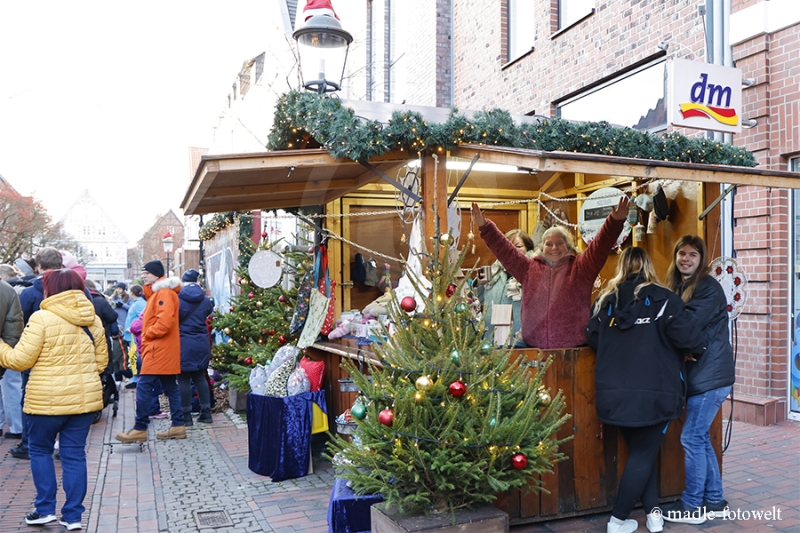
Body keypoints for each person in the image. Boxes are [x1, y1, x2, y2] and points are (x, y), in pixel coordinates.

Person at [586, 247, 706, 533]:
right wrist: (693, 351)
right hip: (656, 393)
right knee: (643, 455)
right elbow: (689, 338)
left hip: (615, 393)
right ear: (649, 267)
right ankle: (617, 521)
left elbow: (593, 338)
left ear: (622, 267)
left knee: (642, 453)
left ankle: (654, 517)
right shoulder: (666, 299)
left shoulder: (604, 301)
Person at [0, 268, 107, 530]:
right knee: (74, 455)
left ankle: (45, 509)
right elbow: (101, 363)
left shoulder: (41, 318)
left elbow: (20, 360)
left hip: (45, 401)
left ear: (51, 289)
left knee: (40, 451)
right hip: (83, 402)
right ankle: (73, 515)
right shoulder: (92, 319)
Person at [471, 196, 629, 348]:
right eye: (549, 244)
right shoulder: (528, 268)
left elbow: (600, 246)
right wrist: (485, 226)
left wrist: (615, 222)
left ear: (567, 246)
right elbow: (505, 250)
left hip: (573, 351)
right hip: (534, 351)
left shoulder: (582, 267)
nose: (554, 248)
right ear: (542, 247)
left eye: (559, 243)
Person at [661, 235, 735, 524]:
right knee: (700, 437)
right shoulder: (679, 285)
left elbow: (684, 325)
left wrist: (685, 346)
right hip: (705, 373)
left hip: (710, 375)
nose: (686, 259)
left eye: (693, 254)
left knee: (691, 437)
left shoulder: (706, 287)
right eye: (682, 253)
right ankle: (714, 500)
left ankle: (692, 505)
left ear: (701, 259)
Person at [116, 260, 186, 443]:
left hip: (157, 349)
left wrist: (147, 333)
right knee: (169, 387)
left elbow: (165, 322)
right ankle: (178, 425)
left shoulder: (163, 293)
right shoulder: (160, 293)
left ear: (156, 274)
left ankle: (140, 428)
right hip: (161, 349)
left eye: (147, 273)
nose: (143, 276)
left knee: (145, 386)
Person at [11, 247, 64, 460]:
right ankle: (63, 444)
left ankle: (29, 443)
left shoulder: (30, 293)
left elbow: (20, 324)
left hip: (36, 356)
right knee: (66, 398)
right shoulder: (77, 290)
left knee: (30, 399)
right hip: (67, 354)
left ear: (39, 266)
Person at [476, 229, 534, 346]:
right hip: (490, 342)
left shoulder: (534, 272)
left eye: (518, 246)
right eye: (508, 245)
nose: (512, 250)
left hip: (521, 344)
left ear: (528, 249)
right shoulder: (491, 271)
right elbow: (476, 299)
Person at [177, 269, 214, 425]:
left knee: (183, 379)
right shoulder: (206, 300)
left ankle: (186, 416)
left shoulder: (177, 299)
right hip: (201, 342)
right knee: (200, 377)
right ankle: (206, 413)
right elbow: (208, 314)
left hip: (183, 342)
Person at [0, 277, 24, 438]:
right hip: (4, 350)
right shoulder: (7, 289)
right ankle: (16, 426)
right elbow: (14, 327)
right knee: (11, 385)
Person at [123, 285, 147, 387]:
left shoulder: (139, 304)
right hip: (132, 335)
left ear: (132, 293)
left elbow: (144, 319)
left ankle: (137, 379)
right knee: (133, 356)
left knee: (135, 356)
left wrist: (133, 328)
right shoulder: (138, 303)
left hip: (135, 336)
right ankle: (135, 378)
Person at [110, 282, 130, 382]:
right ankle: (119, 372)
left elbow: (131, 308)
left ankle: (124, 369)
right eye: (117, 288)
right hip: (116, 325)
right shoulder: (113, 297)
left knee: (124, 348)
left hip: (125, 324)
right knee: (116, 350)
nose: (118, 290)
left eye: (120, 288)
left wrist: (122, 305)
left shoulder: (128, 298)